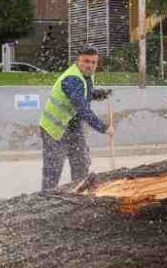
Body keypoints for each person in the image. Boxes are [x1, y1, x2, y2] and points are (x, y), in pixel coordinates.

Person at [39, 47, 113, 189]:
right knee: (53, 170)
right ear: (78, 61)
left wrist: (101, 94)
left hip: (73, 127)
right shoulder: (72, 79)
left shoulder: (86, 76)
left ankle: (79, 197)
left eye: (94, 62)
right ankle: (46, 198)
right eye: (86, 61)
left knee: (81, 164)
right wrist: (103, 128)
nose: (90, 65)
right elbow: (83, 108)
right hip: (54, 129)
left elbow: (86, 93)